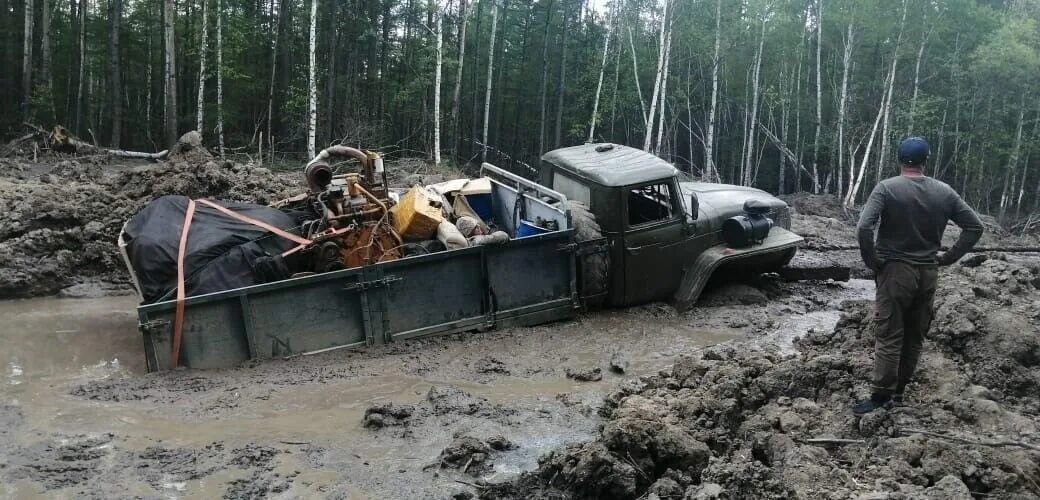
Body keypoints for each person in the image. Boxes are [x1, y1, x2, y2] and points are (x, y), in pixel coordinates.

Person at [852, 136, 984, 416]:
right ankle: (899, 391)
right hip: (928, 273)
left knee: (889, 334)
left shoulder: (887, 188)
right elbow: (974, 227)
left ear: (899, 160)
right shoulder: (944, 192)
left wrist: (872, 261)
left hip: (895, 271)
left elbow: (864, 227)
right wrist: (947, 258)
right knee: (914, 335)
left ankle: (880, 397)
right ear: (926, 161)